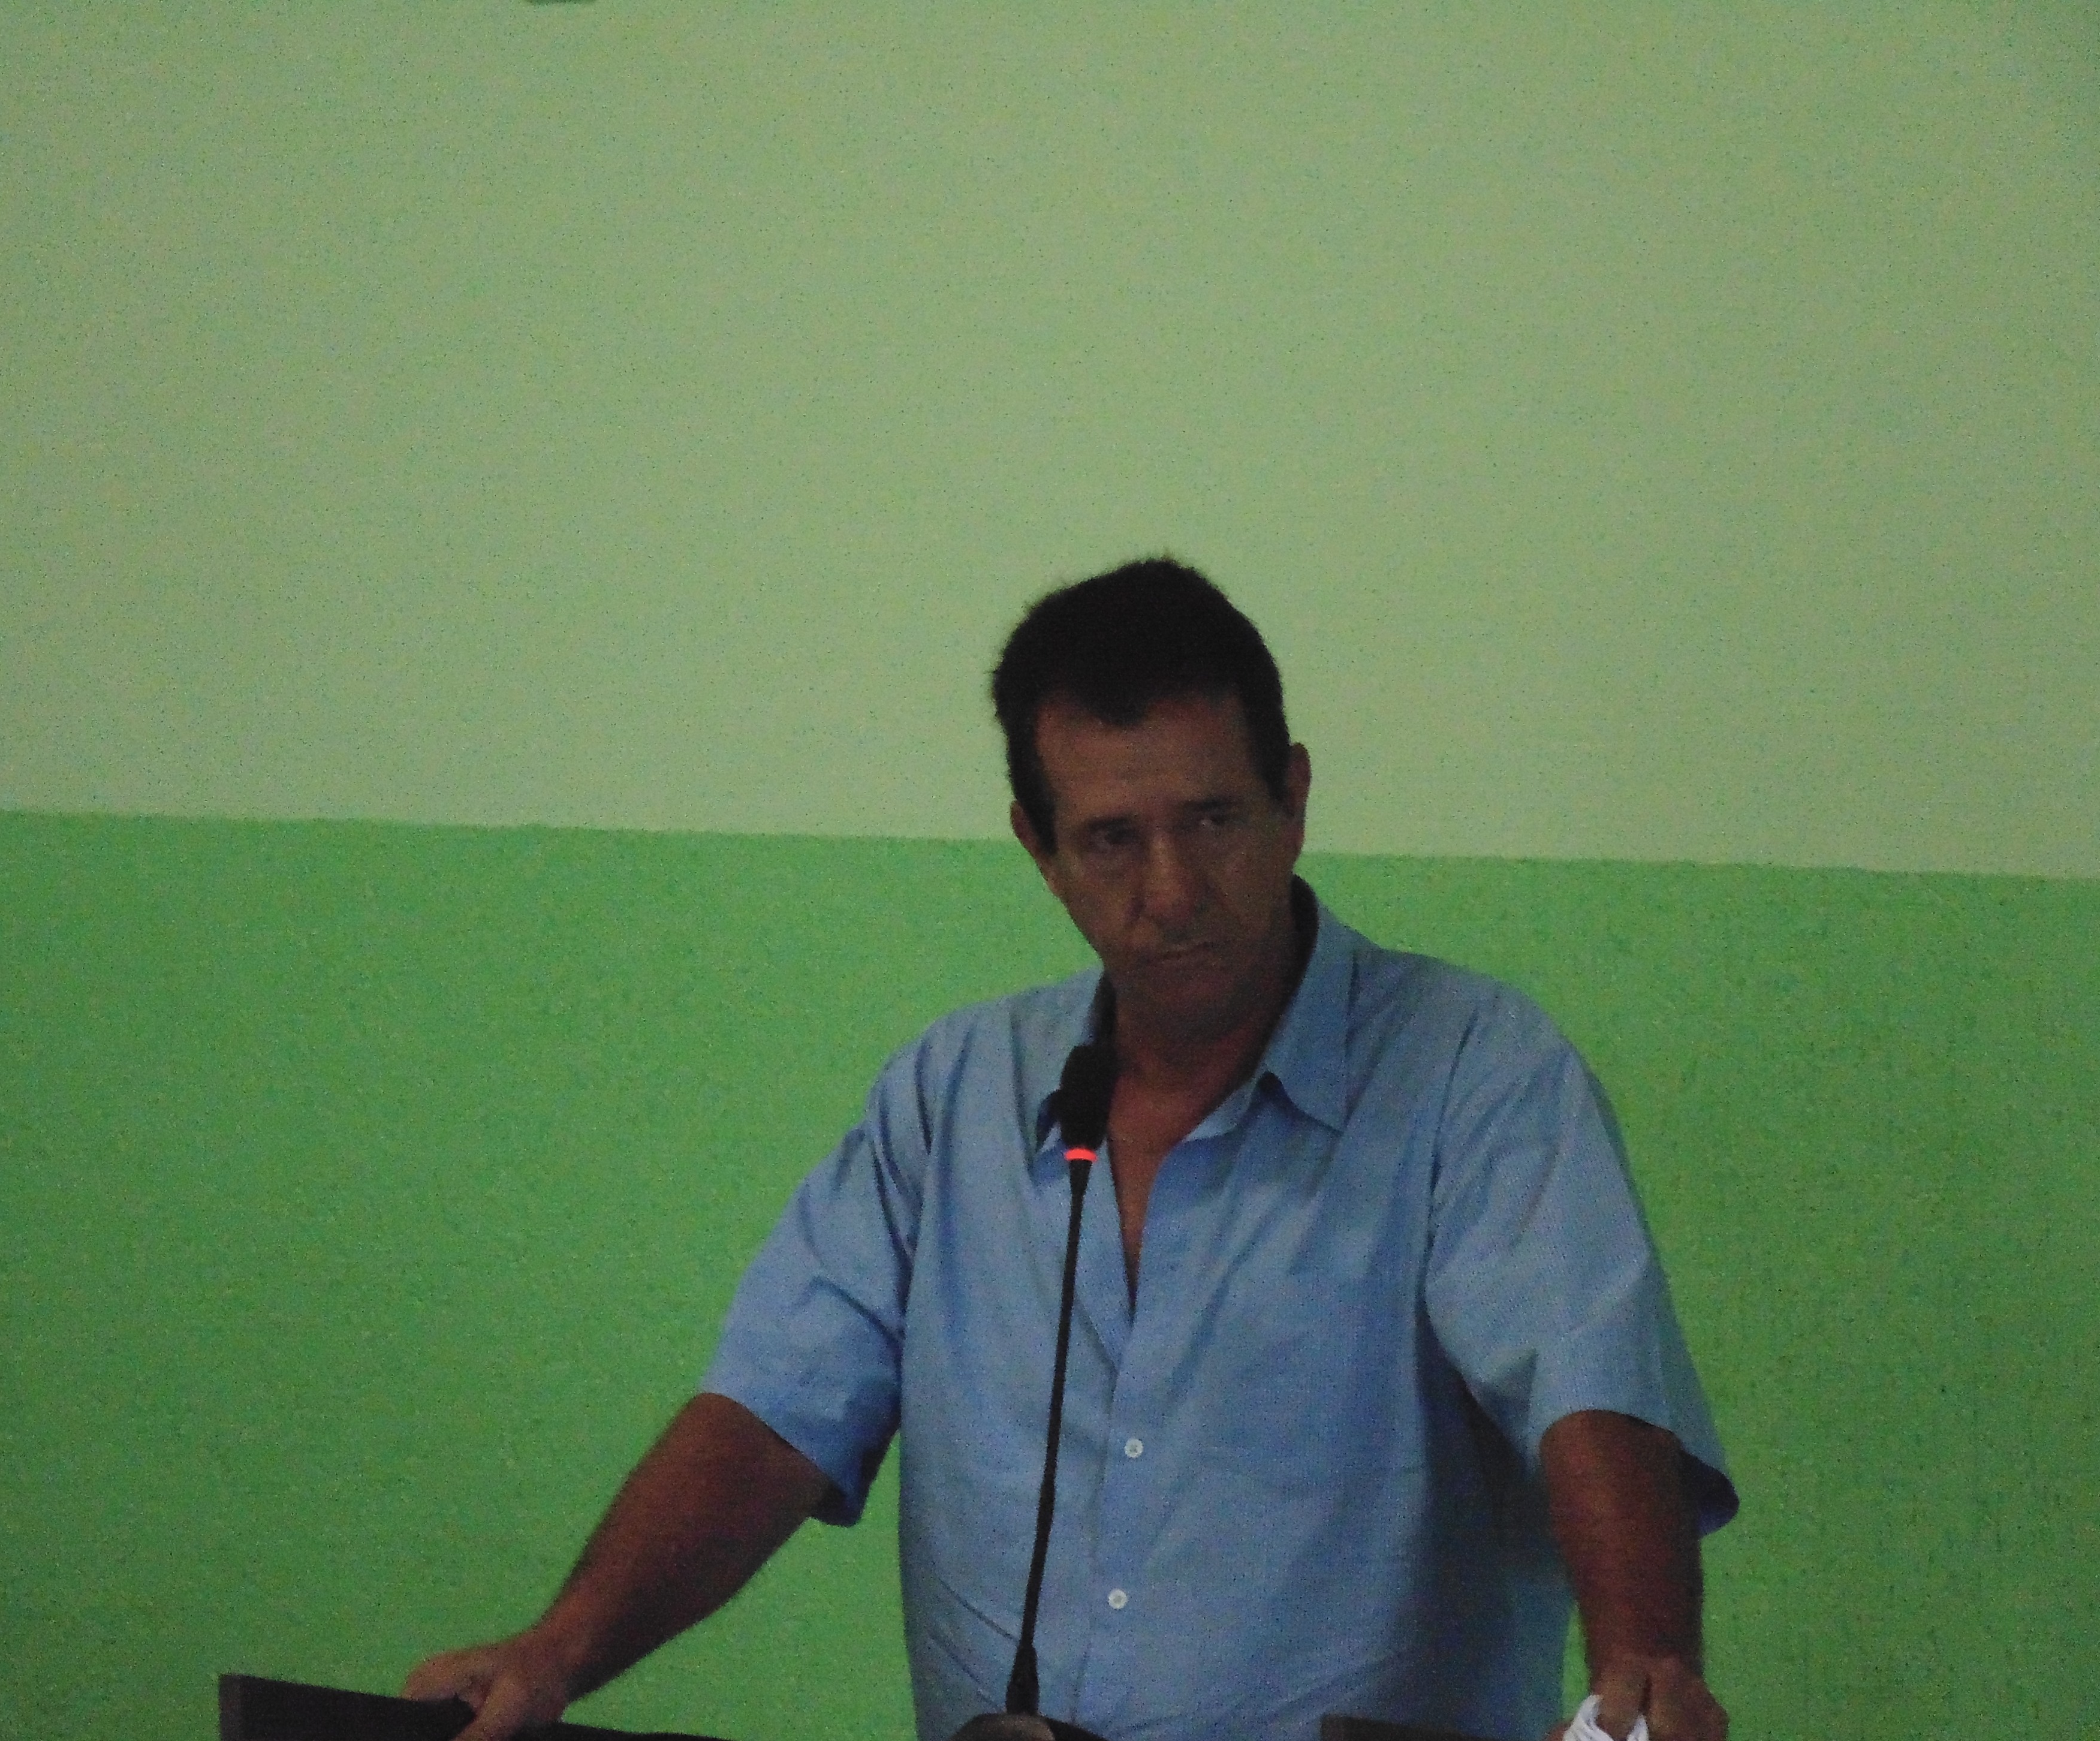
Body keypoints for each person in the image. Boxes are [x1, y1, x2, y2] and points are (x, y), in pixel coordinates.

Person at [406, 559, 1738, 1741]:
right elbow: (769, 1417)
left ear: (1292, 797)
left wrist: (1643, 1671)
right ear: (1037, 849)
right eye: (1110, 839)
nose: (1171, 890)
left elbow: (1587, 1388)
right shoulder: (954, 1095)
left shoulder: (1474, 1072)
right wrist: (560, 1652)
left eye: (1213, 820)